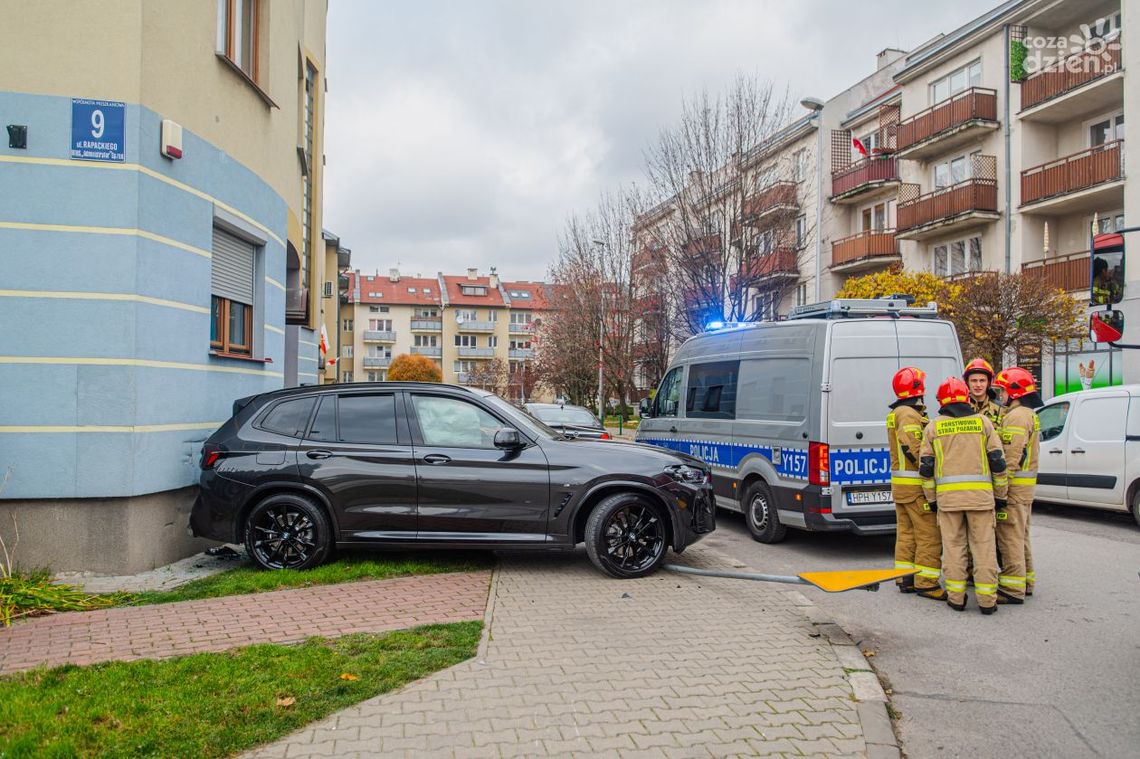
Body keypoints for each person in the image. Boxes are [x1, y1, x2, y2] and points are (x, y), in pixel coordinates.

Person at [920, 377, 1008, 615]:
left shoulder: (933, 427)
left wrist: (932, 499)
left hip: (948, 502)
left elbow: (926, 470)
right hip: (981, 499)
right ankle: (987, 601)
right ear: (966, 397)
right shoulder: (983, 423)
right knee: (983, 548)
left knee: (954, 548)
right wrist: (1000, 495)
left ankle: (956, 597)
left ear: (941, 401)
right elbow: (998, 463)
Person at [887, 367, 945, 599]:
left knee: (907, 533)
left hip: (902, 487)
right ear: (917, 388)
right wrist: (929, 470)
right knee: (929, 535)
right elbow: (912, 447)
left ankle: (905, 578)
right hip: (915, 486)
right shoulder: (909, 414)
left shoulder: (899, 412)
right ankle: (927, 582)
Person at [993, 367, 1042, 602]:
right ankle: (1026, 581)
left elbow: (1010, 458)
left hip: (1014, 490)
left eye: (1002, 390)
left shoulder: (1017, 416)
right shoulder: (1026, 414)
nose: (1000, 395)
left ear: (1014, 391)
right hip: (1024, 489)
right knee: (1021, 536)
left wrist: (1000, 491)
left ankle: (1012, 589)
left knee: (1010, 537)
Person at [963, 358, 1003, 427]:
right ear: (967, 383)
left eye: (982, 380)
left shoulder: (1000, 409)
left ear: (989, 383)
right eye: (974, 381)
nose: (978, 385)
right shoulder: (960, 408)